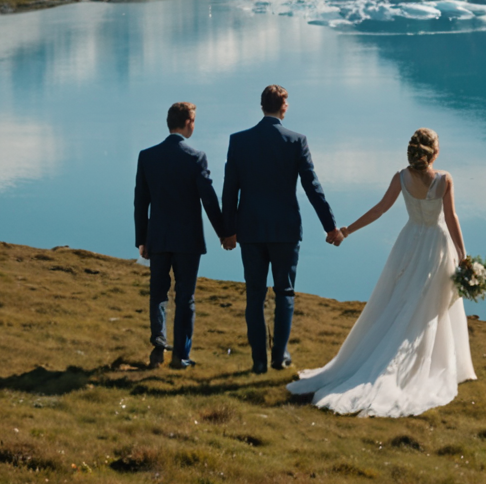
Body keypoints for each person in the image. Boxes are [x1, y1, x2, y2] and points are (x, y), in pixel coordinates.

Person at [288, 127, 475, 417]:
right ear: (435, 152)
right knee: (428, 306)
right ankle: (424, 363)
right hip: (436, 246)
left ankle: (390, 355)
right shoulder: (444, 180)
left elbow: (379, 210)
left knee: (402, 301)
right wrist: (463, 255)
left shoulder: (401, 177)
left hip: (408, 243)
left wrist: (347, 230)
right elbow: (451, 218)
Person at [221, 84, 340, 374]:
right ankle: (279, 356)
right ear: (283, 107)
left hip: (250, 229)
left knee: (255, 296)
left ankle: (258, 361)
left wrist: (228, 230)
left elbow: (229, 192)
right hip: (286, 229)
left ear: (262, 106)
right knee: (284, 293)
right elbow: (313, 188)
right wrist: (330, 227)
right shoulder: (296, 141)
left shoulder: (239, 141)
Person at [134, 101, 227, 369]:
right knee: (185, 297)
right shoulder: (195, 157)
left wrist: (142, 239)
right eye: (194, 120)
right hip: (188, 241)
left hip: (158, 237)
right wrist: (224, 233)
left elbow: (141, 202)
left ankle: (158, 344)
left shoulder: (147, 156)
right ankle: (180, 357)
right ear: (188, 122)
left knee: (158, 293)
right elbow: (208, 200)